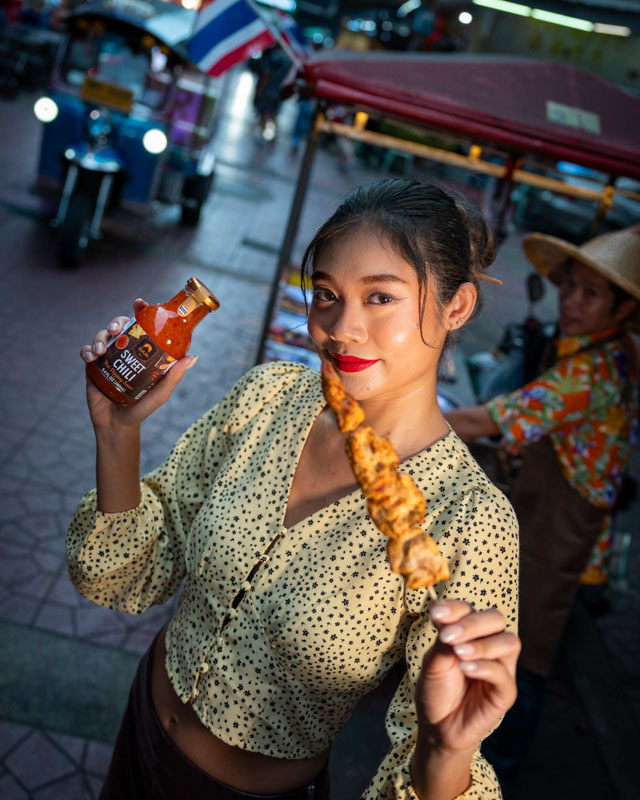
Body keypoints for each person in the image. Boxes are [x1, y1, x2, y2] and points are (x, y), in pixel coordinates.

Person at [67, 179, 520, 800]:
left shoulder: (468, 520)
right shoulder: (269, 397)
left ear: (457, 307)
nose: (343, 328)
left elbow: (436, 736)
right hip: (142, 729)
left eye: (381, 297)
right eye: (327, 295)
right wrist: (117, 434)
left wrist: (447, 752)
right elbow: (132, 569)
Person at [444, 224, 640, 789]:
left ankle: (495, 774)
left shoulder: (594, 371)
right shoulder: (611, 351)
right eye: (571, 288)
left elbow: (489, 420)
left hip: (561, 543)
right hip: (569, 533)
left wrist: (398, 420)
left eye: (591, 294)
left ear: (625, 307)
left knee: (522, 662)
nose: (572, 303)